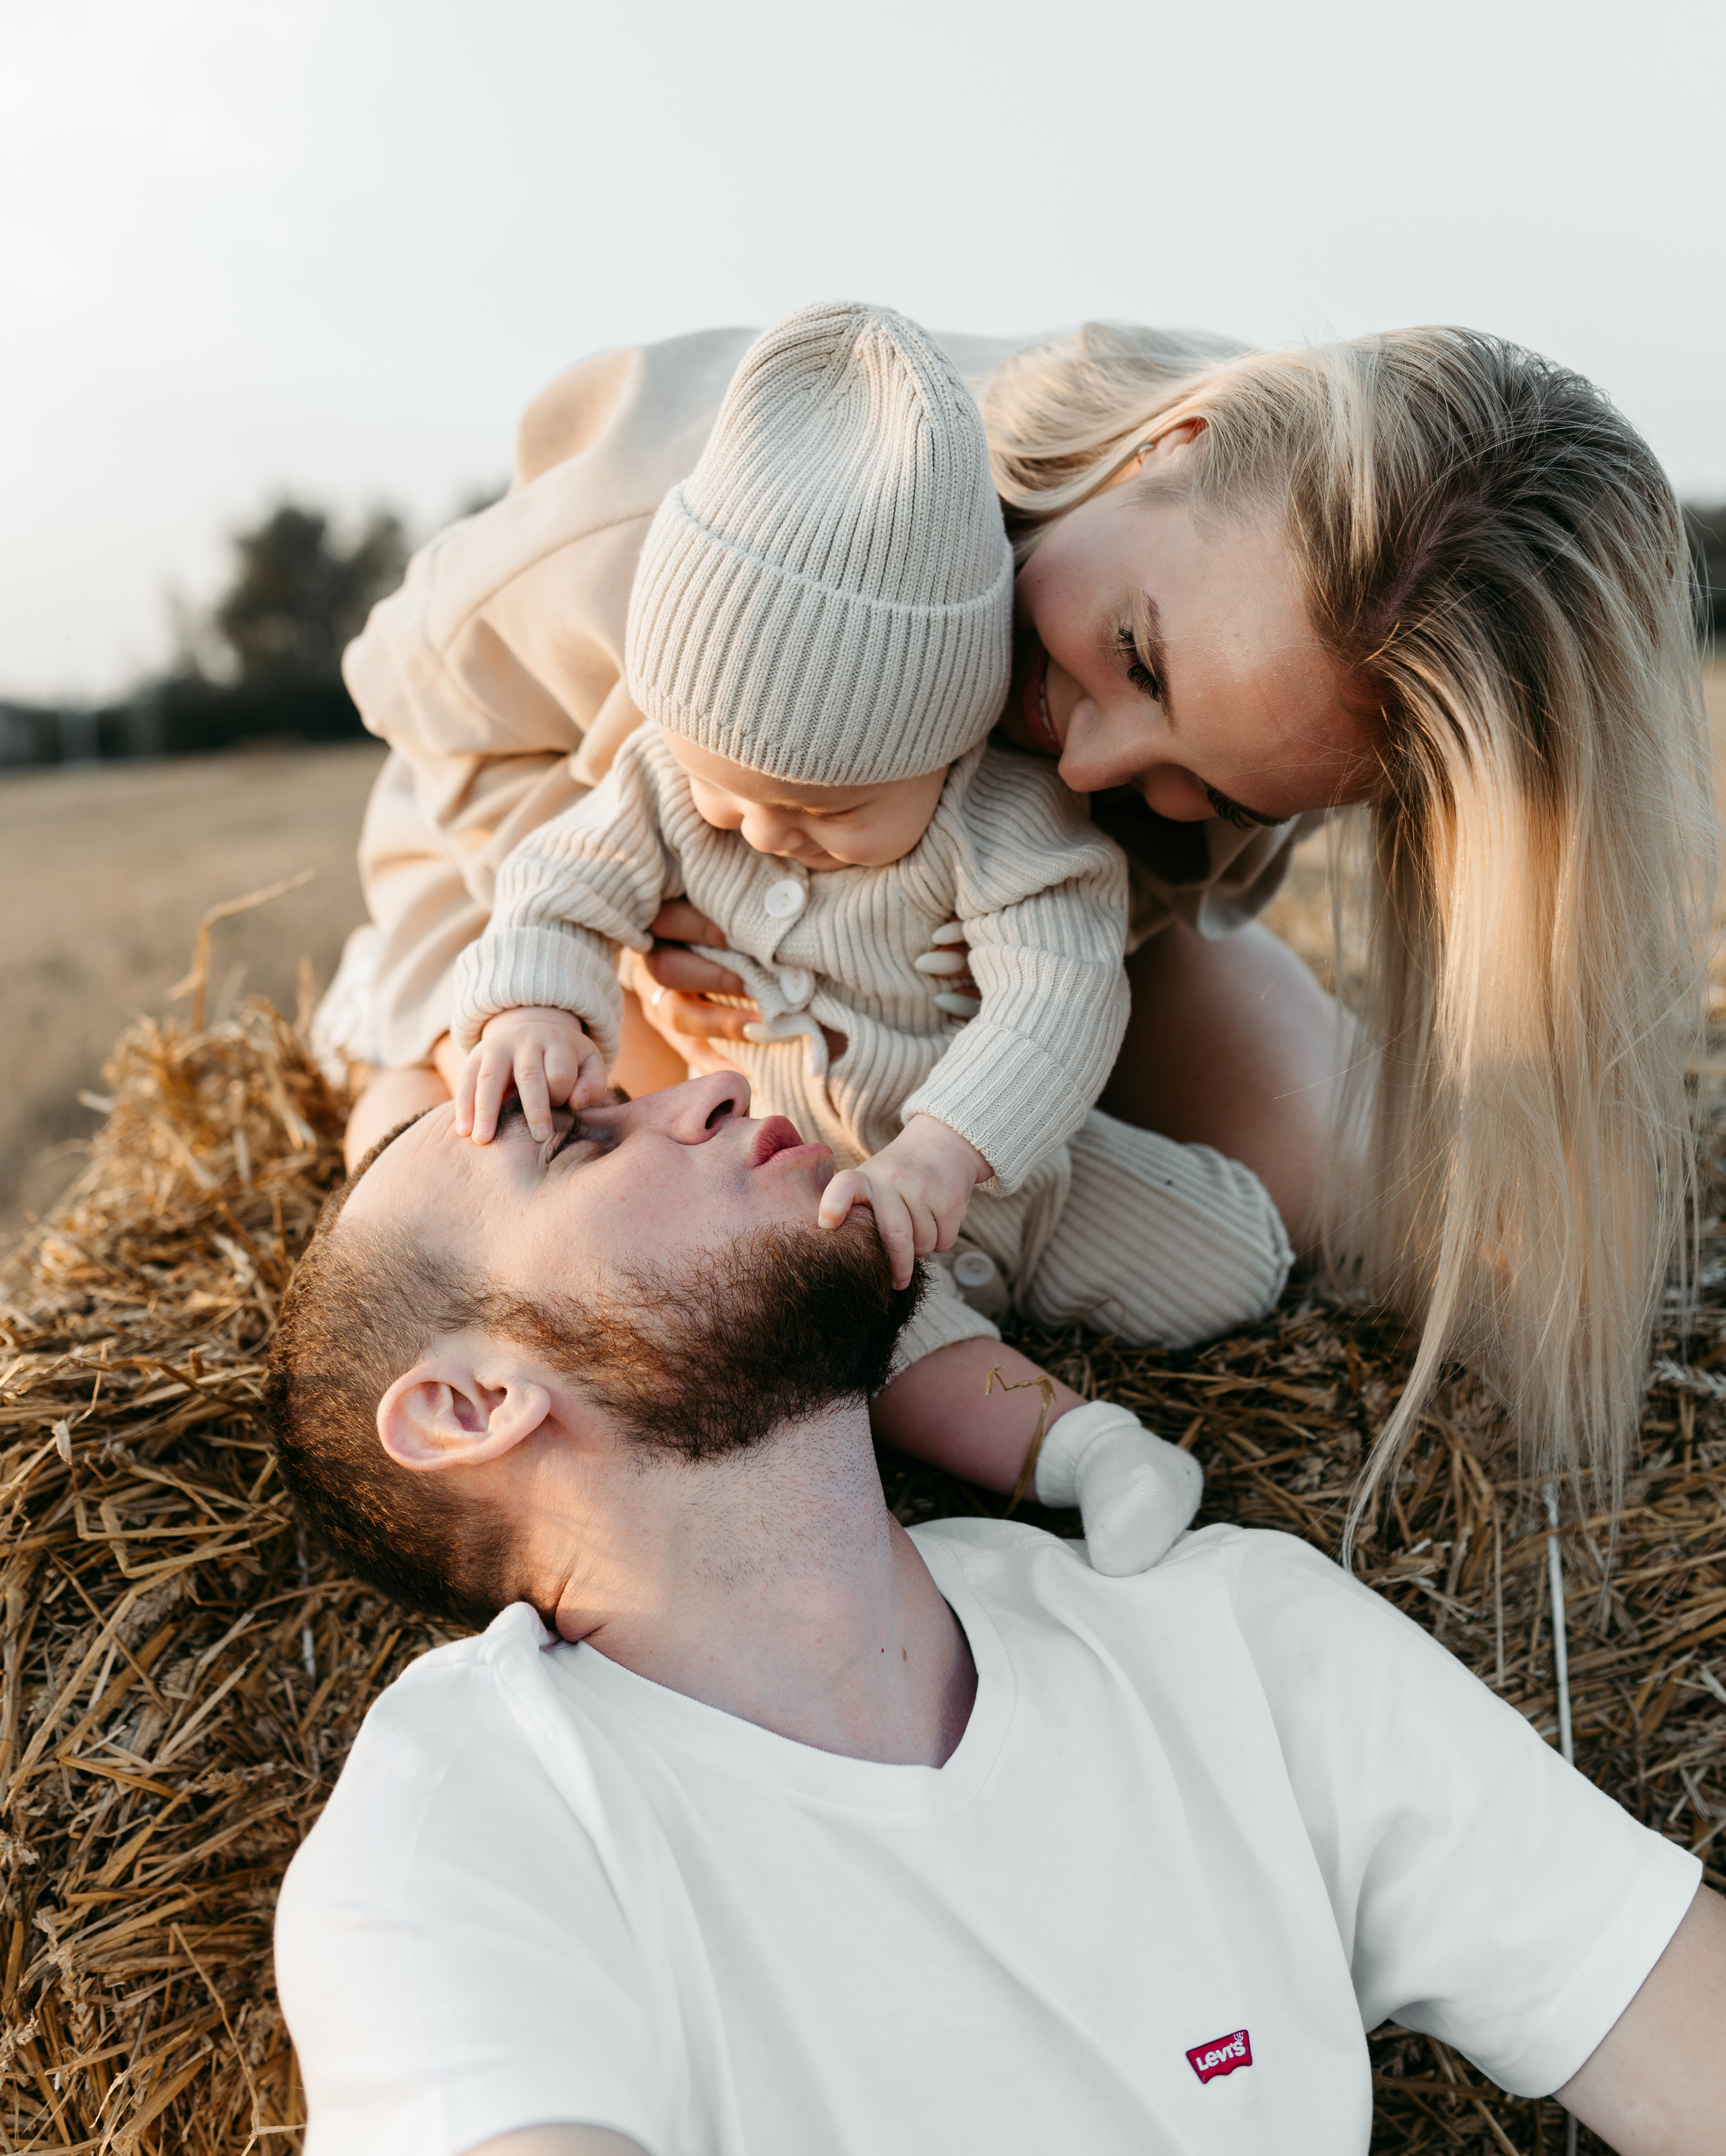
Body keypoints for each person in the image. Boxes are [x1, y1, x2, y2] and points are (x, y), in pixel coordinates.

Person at [324, 312, 1715, 1510]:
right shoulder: (670, 513)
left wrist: (981, 1057)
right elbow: (418, 693)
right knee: (617, 1230)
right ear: (1172, 442)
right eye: (1133, 659)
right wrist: (611, 941)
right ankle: (393, 1065)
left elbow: (1112, 924)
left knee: (1337, 1190)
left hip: (981, 950)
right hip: (586, 865)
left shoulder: (1295, 668)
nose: (1099, 763)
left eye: (1201, 781)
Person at [268, 1071, 1726, 2156]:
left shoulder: (1229, 1638)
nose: (709, 1080)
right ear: (465, 1406)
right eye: (579, 1142)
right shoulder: (467, 1832)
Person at [452, 301, 1291, 1563]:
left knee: (1238, 1264)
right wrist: (537, 1004)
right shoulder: (668, 783)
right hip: (841, 1198)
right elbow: (561, 883)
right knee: (884, 1342)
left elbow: (1057, 998)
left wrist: (949, 1155)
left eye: (827, 811)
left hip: (1010, 1173)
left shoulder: (1006, 817)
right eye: (724, 786)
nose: (760, 829)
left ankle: (1162, 1279)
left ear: (948, 736)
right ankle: (1090, 1454)